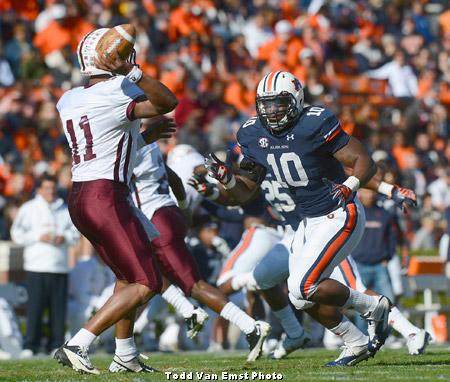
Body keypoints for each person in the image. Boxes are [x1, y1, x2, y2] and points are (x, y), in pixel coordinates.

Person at [204, 71, 417, 365]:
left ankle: (374, 308)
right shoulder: (254, 133)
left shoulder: (314, 122)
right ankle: (355, 341)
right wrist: (227, 180)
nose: (272, 111)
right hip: (308, 221)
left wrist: (350, 186)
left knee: (305, 285)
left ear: (295, 100)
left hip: (339, 212)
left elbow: (363, 160)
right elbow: (245, 192)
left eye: (279, 103)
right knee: (299, 296)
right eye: (266, 104)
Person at [53, 27, 178, 374]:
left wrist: (142, 137)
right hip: (106, 195)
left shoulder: (68, 98)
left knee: (128, 275)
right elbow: (168, 103)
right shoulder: (116, 89)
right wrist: (132, 72)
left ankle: (125, 354)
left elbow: (108, 140)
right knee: (147, 281)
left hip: (81, 195)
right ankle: (79, 342)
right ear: (112, 59)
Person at [130, 142, 271, 362]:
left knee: (187, 284)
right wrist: (186, 210)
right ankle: (131, 341)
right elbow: (180, 181)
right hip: (168, 217)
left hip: (158, 219)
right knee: (149, 276)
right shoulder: (153, 149)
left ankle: (247, 326)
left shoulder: (133, 149)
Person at [11, 173, 79, 356]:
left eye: (53, 188)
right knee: (35, 308)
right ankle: (31, 345)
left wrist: (63, 237)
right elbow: (16, 233)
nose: (51, 192)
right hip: (36, 266)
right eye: (47, 188)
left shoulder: (64, 210)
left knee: (58, 310)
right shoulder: (29, 208)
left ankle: (56, 345)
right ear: (39, 189)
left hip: (59, 267)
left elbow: (75, 234)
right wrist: (37, 237)